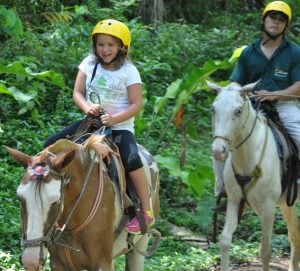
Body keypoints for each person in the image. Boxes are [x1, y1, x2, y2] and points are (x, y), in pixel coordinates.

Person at [44, 19, 155, 234]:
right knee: (50, 144)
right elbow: (77, 92)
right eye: (101, 44)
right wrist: (87, 108)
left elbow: (136, 104)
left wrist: (115, 119)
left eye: (111, 45)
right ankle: (47, 195)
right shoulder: (88, 63)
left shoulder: (129, 71)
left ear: (122, 46)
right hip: (92, 123)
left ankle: (146, 211)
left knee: (132, 159)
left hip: (120, 126)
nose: (105, 49)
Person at [213, 1, 300, 210]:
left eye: (281, 20)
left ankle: (295, 182)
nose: (276, 22)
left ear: (285, 26)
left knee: (299, 137)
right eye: (272, 17)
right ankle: (223, 188)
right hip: (249, 109)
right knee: (220, 139)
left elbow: (299, 86)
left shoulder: (294, 52)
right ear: (264, 20)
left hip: (283, 107)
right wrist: (237, 91)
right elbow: (236, 81)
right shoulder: (249, 52)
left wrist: (275, 94)